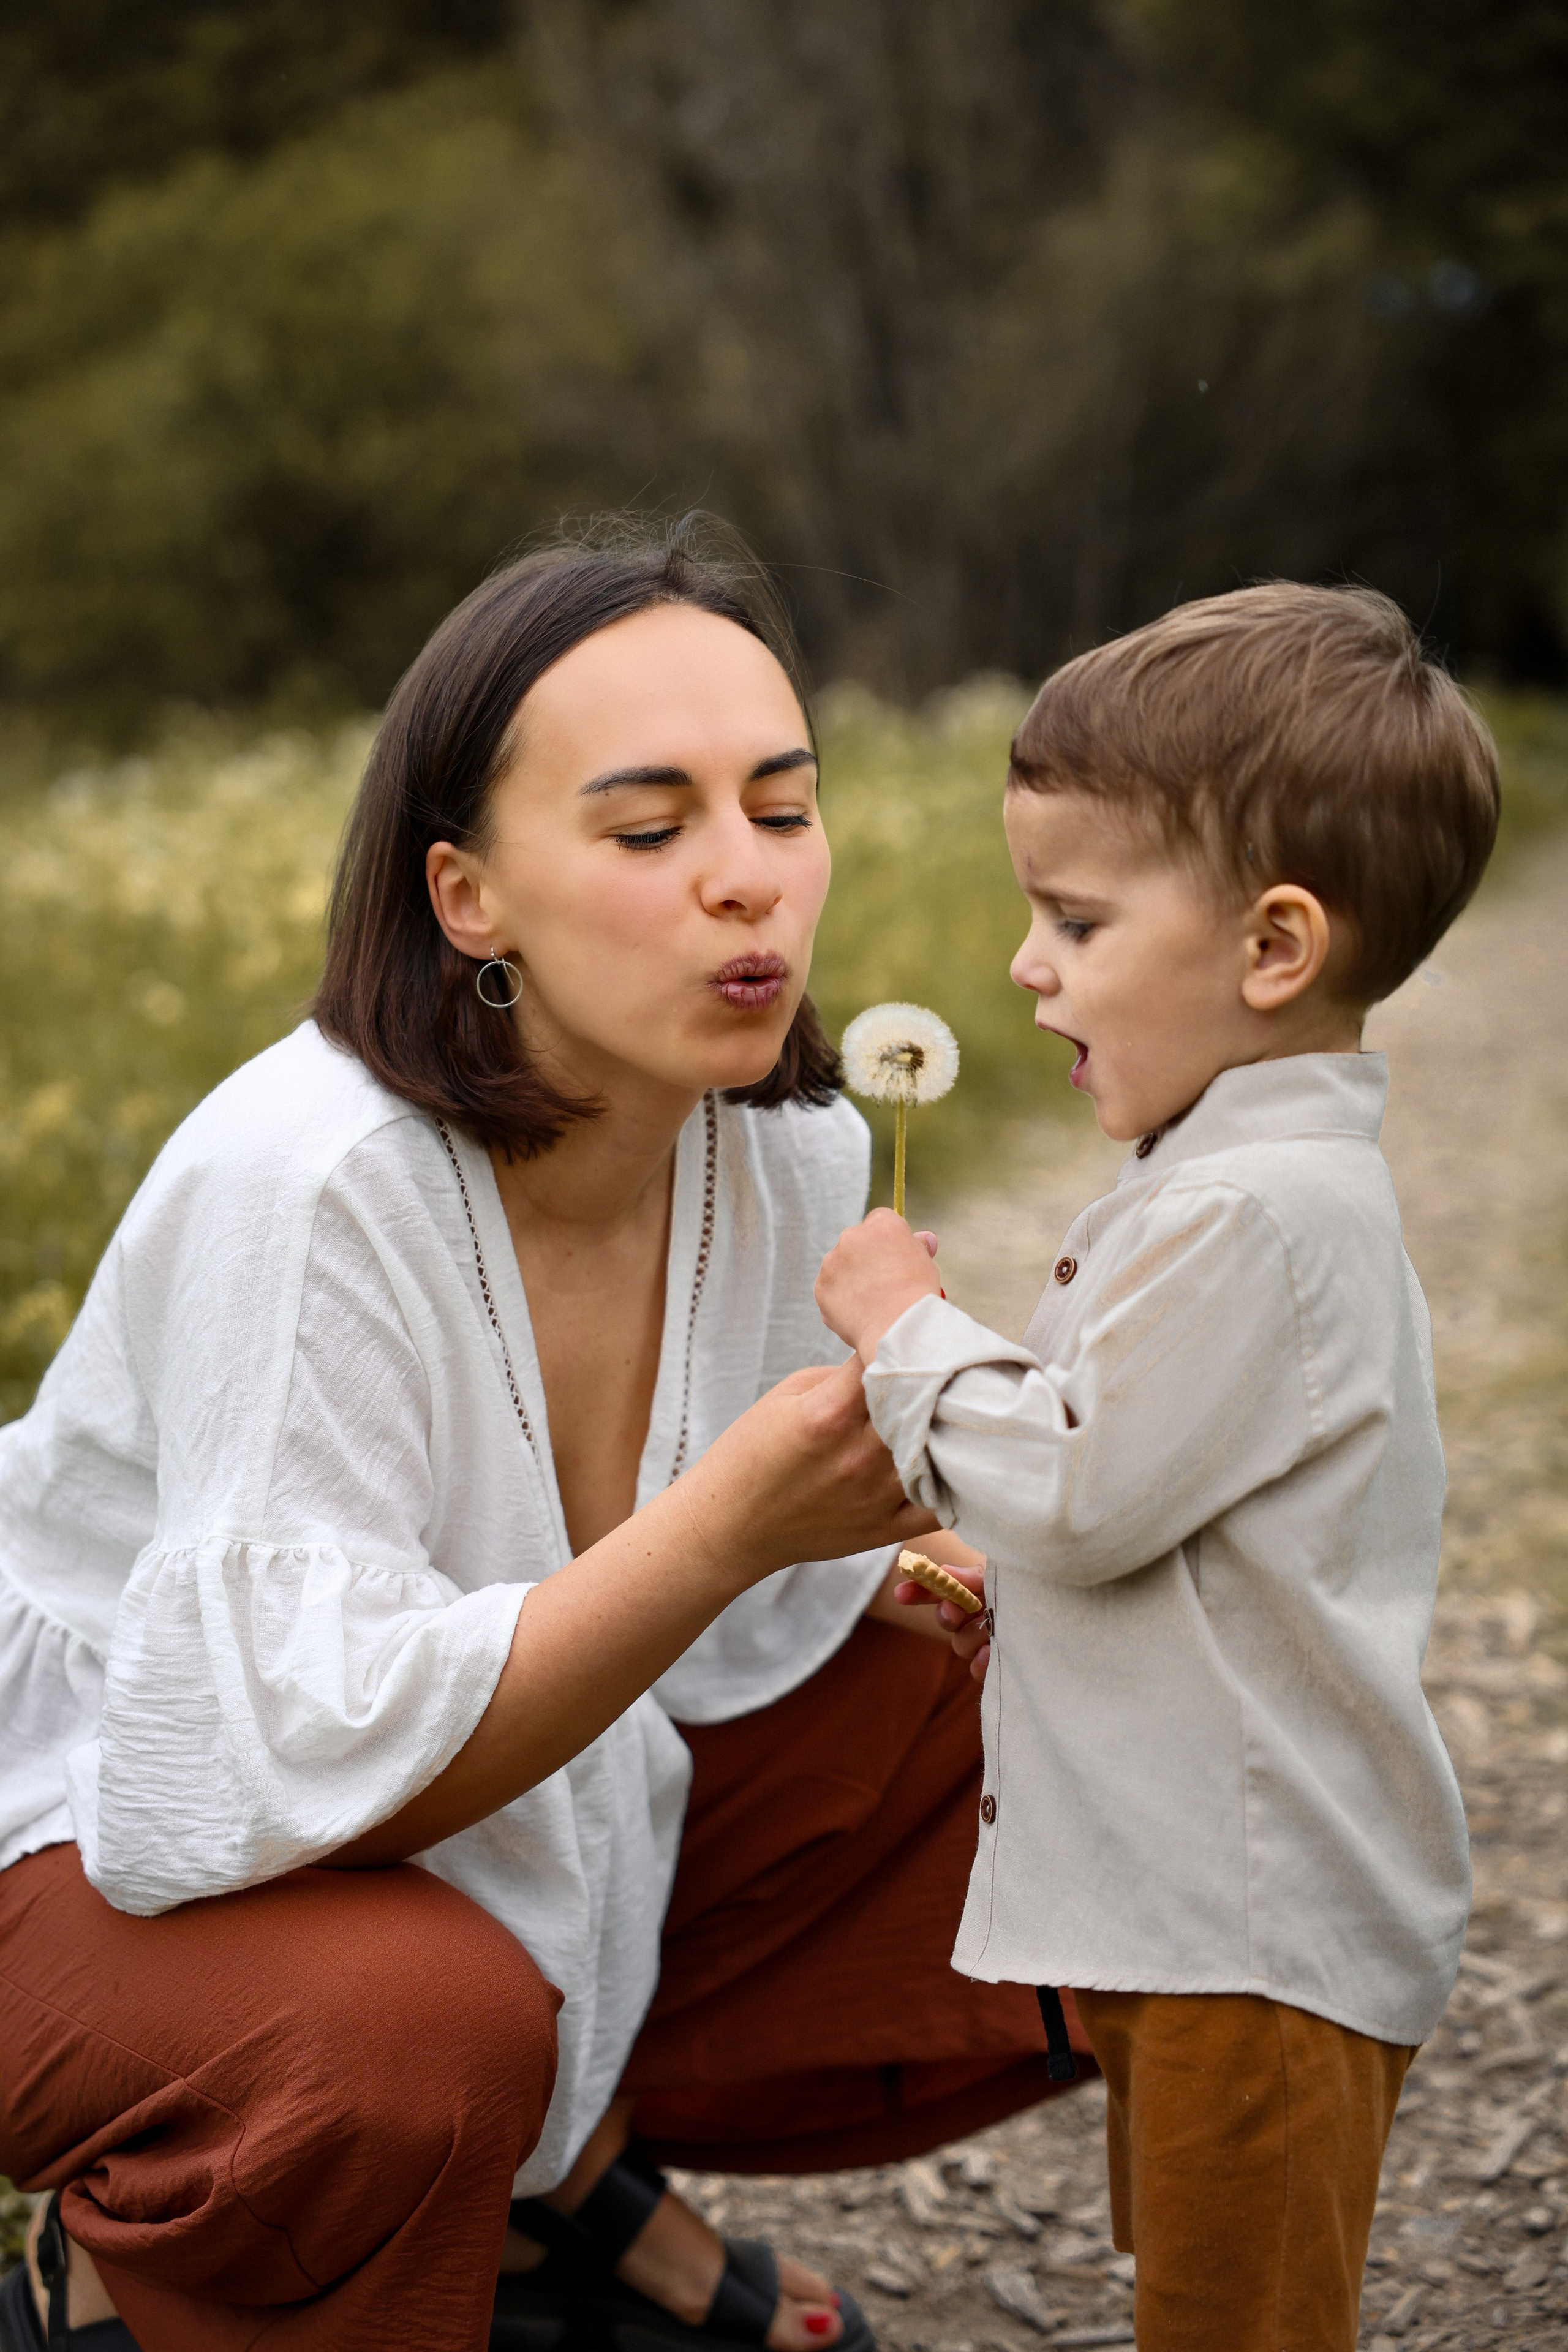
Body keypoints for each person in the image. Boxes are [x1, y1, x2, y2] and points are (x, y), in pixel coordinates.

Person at [0, 520, 1078, 2352]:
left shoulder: (795, 1151)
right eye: (650, 831)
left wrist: (913, 1547)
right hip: (102, 1834)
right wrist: (728, 1528)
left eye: (784, 808)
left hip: (422, 1814)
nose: (747, 880)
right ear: (467, 894)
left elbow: (702, 1639)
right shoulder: (316, 1185)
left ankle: (551, 2197)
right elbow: (266, 1780)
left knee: (1060, 1685)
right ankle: (133, 2266)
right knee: (406, 2043)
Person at [816, 584, 1497, 2352]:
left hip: (1249, 1932)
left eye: (1077, 918)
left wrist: (905, 1332)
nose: (1028, 964)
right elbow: (1162, 1511)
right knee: (1201, 2293)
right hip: (1192, 1916)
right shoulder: (1218, 1182)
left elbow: (1079, 1484)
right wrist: (977, 1565)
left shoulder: (1251, 1214)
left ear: (1274, 948)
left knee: (1241, 2321)